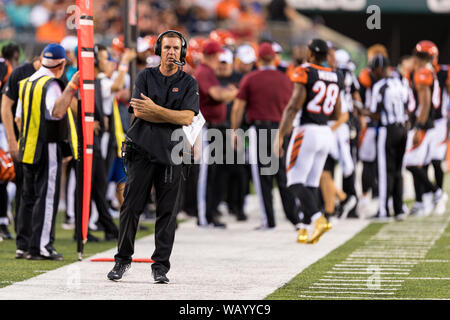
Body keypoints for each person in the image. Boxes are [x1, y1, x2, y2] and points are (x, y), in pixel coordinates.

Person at [107, 30, 199, 284]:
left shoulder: (189, 82)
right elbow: (139, 112)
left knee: (167, 213)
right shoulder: (145, 76)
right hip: (142, 152)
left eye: (176, 48)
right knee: (130, 207)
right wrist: (171, 114)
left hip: (172, 154)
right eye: (167, 47)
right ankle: (122, 260)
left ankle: (160, 266)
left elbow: (187, 118)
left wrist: (156, 110)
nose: (171, 52)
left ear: (182, 52)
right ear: (159, 50)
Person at [15, 43, 79, 260]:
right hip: (46, 145)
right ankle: (41, 247)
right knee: (47, 196)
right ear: (60, 65)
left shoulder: (27, 82)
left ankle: (23, 245)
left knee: (28, 197)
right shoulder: (50, 84)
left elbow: (18, 117)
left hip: (27, 145)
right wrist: (70, 87)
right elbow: (57, 111)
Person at [275, 39, 343, 244]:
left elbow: (294, 105)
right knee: (310, 183)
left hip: (307, 130)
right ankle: (303, 229)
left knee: (294, 181)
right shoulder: (336, 74)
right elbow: (337, 112)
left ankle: (317, 218)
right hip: (325, 132)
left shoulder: (305, 70)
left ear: (311, 53)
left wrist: (279, 134)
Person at [231, 42, 301, 230]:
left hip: (260, 129)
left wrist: (235, 131)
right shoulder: (285, 79)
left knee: (263, 178)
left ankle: (268, 220)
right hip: (281, 130)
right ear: (274, 58)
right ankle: (294, 217)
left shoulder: (250, 78)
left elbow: (238, 107)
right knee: (283, 177)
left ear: (259, 59)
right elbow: (292, 108)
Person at [194, 40, 238, 228]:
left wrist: (227, 92)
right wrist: (231, 92)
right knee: (205, 174)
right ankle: (204, 216)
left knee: (215, 172)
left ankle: (210, 212)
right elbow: (218, 95)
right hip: (207, 127)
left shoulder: (208, 72)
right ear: (212, 56)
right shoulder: (204, 72)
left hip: (215, 127)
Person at [1, 55, 41, 257]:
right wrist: (11, 140)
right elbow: (11, 111)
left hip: (40, 143)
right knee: (23, 189)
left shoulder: (51, 76)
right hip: (24, 142)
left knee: (31, 192)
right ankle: (23, 239)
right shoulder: (22, 75)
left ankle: (34, 240)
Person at [369, 55, 409, 221]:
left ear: (379, 68)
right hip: (403, 128)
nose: (372, 72)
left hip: (388, 130)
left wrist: (364, 112)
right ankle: (399, 208)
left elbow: (375, 113)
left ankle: (383, 210)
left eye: (373, 69)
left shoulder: (380, 85)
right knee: (398, 171)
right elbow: (408, 106)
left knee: (385, 171)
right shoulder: (401, 82)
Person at [0, 42, 20, 239]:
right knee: (5, 174)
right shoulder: (5, 67)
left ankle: (4, 221)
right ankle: (3, 222)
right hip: (1, 128)